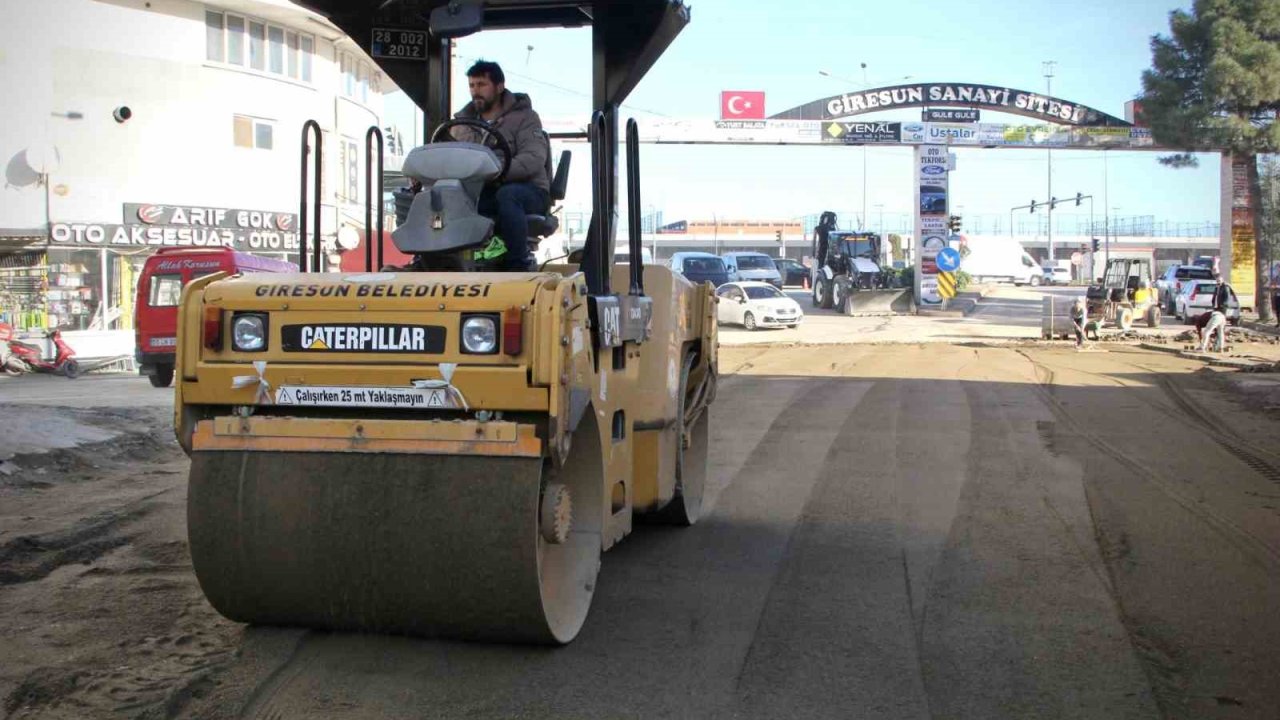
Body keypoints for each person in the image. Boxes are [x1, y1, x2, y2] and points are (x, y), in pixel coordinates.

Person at [451, 60, 551, 271]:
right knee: (440, 196)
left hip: (528, 191)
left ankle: (517, 264)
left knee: (507, 195)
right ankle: (435, 261)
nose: (475, 91)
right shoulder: (460, 125)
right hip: (480, 190)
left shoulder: (526, 118)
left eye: (481, 85)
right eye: (472, 85)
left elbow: (533, 158)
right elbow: (446, 155)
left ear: (499, 86)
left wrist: (496, 172)